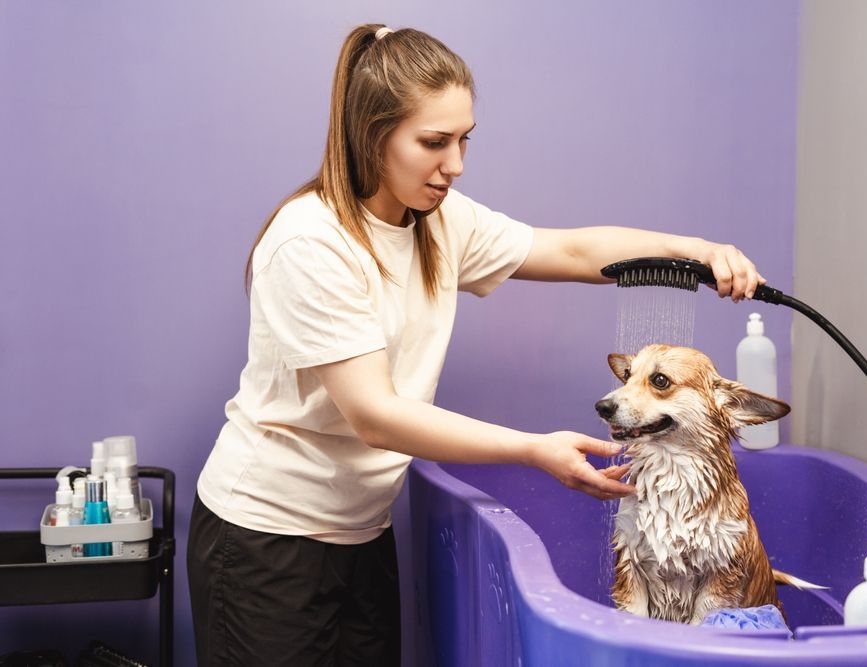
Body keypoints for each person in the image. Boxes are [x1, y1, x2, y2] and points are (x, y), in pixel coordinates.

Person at [187, 23, 766, 667]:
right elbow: (375, 415)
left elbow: (571, 250)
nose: (455, 165)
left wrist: (695, 251)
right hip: (267, 540)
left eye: (464, 140)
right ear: (370, 133)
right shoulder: (312, 244)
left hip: (362, 532)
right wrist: (532, 450)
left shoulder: (439, 219)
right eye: (434, 142)